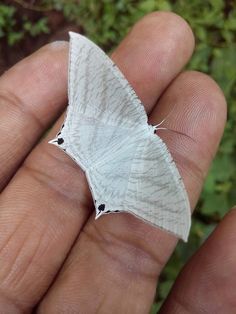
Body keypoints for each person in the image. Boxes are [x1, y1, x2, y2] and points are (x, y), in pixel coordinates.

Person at [0, 11, 232, 313]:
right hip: (113, 169)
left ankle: (72, 147)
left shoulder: (133, 113)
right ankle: (91, 176)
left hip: (89, 138)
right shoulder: (157, 155)